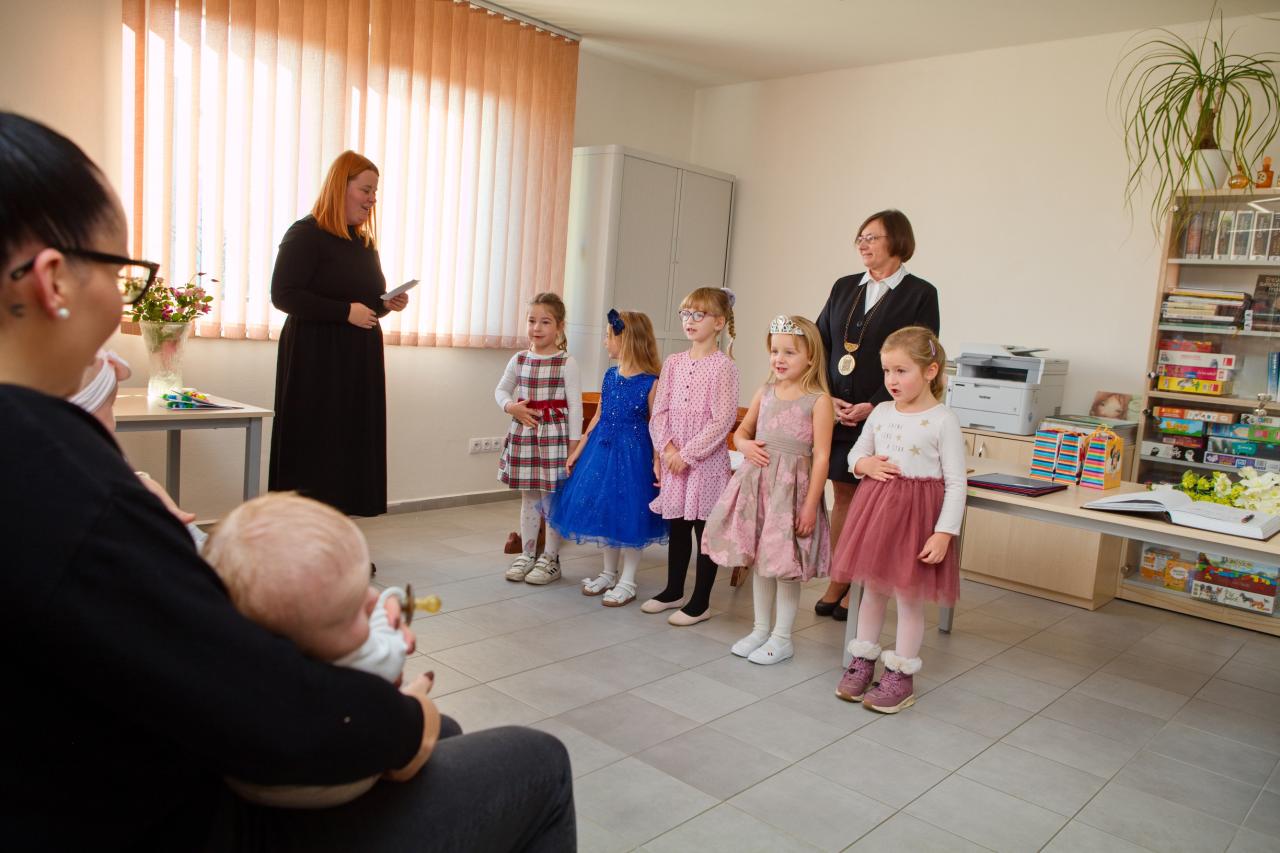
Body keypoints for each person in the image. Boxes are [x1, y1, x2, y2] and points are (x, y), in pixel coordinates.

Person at [0, 111, 574, 851]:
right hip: (192, 817)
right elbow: (275, 713)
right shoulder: (66, 487)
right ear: (53, 281)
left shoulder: (53, 466)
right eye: (120, 273)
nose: (122, 300)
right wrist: (409, 717)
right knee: (534, 758)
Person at [204, 493, 416, 808]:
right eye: (354, 610)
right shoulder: (363, 660)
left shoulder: (235, 659)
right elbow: (392, 640)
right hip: (335, 786)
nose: (372, 598)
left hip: (250, 782)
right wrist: (391, 602)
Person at [830, 326, 966, 713]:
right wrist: (865, 465)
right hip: (877, 515)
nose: (891, 380)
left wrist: (943, 534)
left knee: (908, 597)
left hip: (918, 521)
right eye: (887, 371)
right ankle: (862, 661)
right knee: (872, 590)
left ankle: (901, 675)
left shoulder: (943, 420)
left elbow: (957, 483)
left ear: (930, 371)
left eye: (901, 371)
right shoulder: (881, 413)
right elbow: (855, 455)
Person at [268, 151, 409, 518]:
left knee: (350, 444)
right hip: (315, 358)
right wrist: (345, 312)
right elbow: (284, 295)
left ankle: (339, 531)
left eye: (375, 192)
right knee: (316, 442)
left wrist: (386, 304)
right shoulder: (305, 234)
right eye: (365, 190)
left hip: (358, 358)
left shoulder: (364, 244)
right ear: (339, 187)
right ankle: (302, 532)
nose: (372, 199)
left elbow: (368, 303)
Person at [815, 209, 940, 620]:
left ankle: (863, 582)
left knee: (873, 500)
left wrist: (875, 402)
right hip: (839, 411)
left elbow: (921, 354)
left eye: (872, 237)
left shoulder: (920, 293)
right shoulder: (844, 286)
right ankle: (840, 577)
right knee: (842, 493)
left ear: (897, 242)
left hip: (886, 413)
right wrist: (827, 396)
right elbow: (820, 343)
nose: (863, 244)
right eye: (860, 238)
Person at [702, 315, 833, 664]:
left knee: (783, 563)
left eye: (790, 352)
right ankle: (760, 630)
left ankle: (782, 637)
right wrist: (745, 446)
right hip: (757, 486)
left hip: (790, 492)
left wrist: (810, 505)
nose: (779, 358)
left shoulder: (818, 400)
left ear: (810, 356)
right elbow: (742, 433)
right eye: (775, 351)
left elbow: (822, 457)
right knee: (761, 560)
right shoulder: (765, 392)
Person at [546, 309, 667, 606]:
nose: (604, 342)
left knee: (631, 514)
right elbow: (598, 416)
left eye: (608, 336)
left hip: (634, 455)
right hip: (602, 451)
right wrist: (578, 450)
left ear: (625, 340)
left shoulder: (651, 382)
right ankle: (608, 573)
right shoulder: (610, 376)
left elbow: (657, 425)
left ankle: (628, 580)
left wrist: (657, 460)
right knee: (607, 511)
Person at [643, 286, 741, 626]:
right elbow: (659, 412)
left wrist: (687, 454)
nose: (690, 320)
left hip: (705, 464)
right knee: (678, 527)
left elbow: (723, 420)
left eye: (699, 314)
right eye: (686, 313)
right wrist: (668, 449)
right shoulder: (673, 362)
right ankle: (673, 590)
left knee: (704, 530)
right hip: (675, 461)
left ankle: (701, 602)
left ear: (719, 322)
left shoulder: (724, 366)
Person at [496, 291, 582, 585]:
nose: (537, 327)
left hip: (555, 439)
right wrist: (511, 407)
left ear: (559, 326)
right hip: (525, 434)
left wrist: (573, 446)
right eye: (532, 321)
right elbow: (501, 390)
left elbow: (575, 406)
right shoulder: (519, 359)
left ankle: (551, 559)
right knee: (529, 497)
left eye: (545, 322)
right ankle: (528, 553)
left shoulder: (566, 362)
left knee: (551, 499)